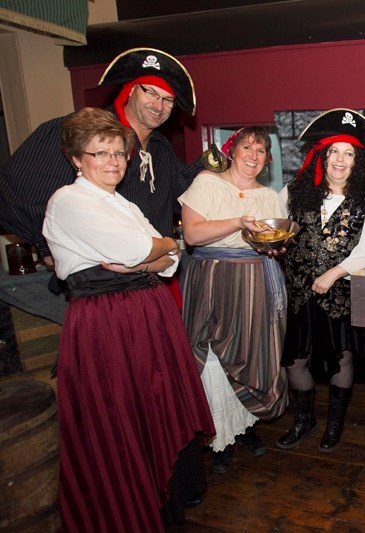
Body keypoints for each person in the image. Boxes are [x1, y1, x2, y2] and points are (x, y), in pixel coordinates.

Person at [42, 107, 215, 532]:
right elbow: (140, 248)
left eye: (119, 152)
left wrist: (153, 252)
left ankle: (163, 502)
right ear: (77, 159)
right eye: (100, 153)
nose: (113, 161)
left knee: (154, 409)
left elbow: (169, 256)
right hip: (108, 325)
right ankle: (126, 508)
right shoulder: (68, 201)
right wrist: (152, 251)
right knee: (119, 417)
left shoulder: (121, 201)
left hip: (147, 317)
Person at [0, 47, 201, 306]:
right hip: (98, 287)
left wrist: (227, 163)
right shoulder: (77, 132)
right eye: (150, 92)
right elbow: (15, 191)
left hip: (153, 277)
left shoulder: (160, 148)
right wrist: (47, 244)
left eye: (168, 100)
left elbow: (184, 197)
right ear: (130, 89)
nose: (158, 105)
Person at [276, 108, 365, 453]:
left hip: (339, 294)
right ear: (321, 155)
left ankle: (334, 424)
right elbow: (277, 230)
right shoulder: (294, 191)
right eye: (333, 152)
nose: (340, 160)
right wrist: (275, 246)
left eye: (349, 153)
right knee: (295, 361)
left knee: (341, 360)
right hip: (297, 294)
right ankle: (303, 420)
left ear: (359, 161)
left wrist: (334, 273)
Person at [179, 127, 288, 474]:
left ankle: (246, 427)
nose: (253, 156)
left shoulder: (270, 197)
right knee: (212, 357)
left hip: (255, 279)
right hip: (211, 278)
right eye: (247, 147)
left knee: (251, 352)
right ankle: (218, 437)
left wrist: (275, 247)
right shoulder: (206, 183)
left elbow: (273, 238)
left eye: (261, 150)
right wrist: (237, 223)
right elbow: (193, 234)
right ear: (232, 150)